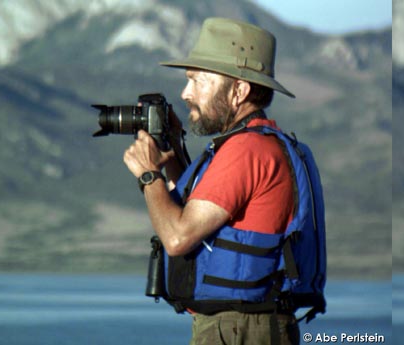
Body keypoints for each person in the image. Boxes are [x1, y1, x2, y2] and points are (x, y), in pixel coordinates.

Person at [122, 17, 301, 345]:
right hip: (251, 325)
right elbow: (199, 210)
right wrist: (173, 153)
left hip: (237, 330)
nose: (185, 93)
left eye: (197, 81)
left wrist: (149, 176)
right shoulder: (258, 143)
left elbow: (177, 237)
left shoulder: (245, 150)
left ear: (239, 91)